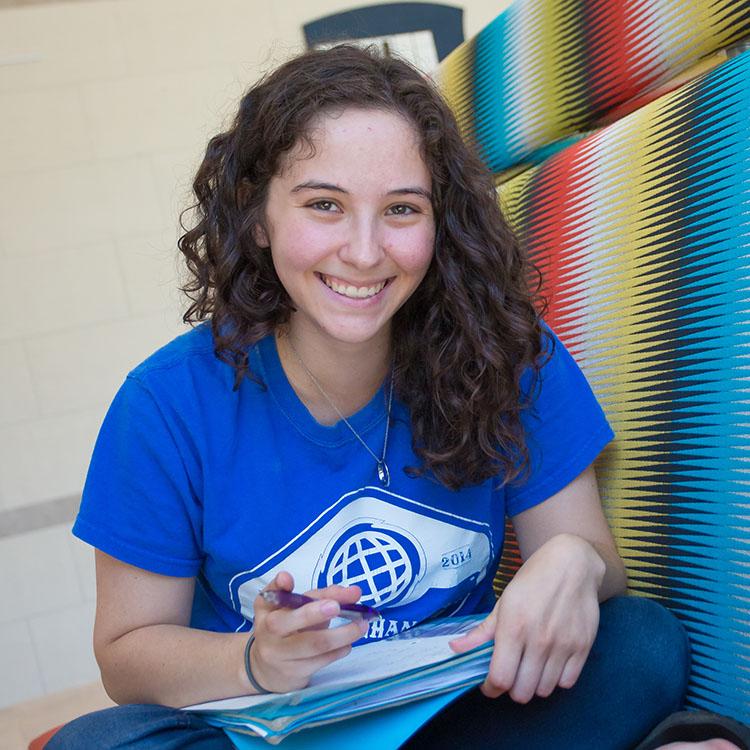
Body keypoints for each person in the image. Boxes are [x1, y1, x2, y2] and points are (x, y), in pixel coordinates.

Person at [49, 44, 710, 750]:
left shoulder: (508, 354)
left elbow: (597, 566)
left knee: (640, 644)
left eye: (401, 209)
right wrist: (257, 661)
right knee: (94, 743)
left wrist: (575, 561)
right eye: (324, 205)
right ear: (257, 215)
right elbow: (127, 653)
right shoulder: (164, 404)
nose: (365, 252)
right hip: (269, 729)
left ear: (440, 220)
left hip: (452, 714)